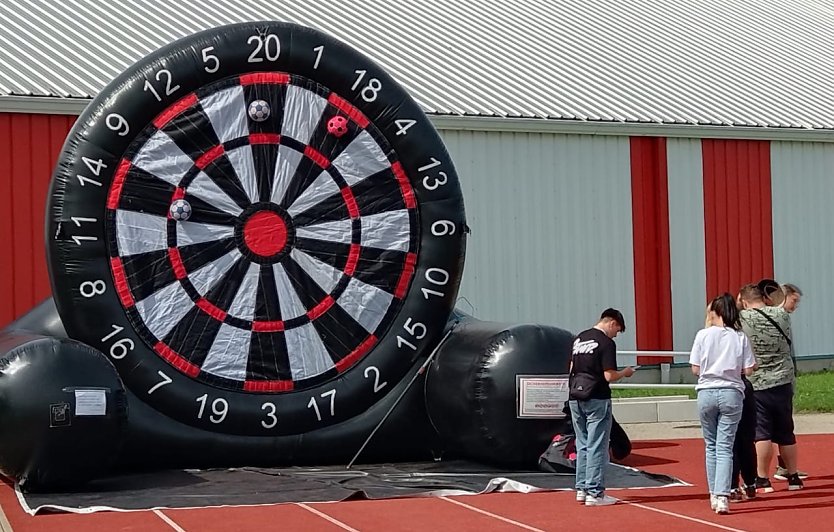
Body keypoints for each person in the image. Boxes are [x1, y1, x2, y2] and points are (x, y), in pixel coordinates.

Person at [690, 293, 757, 515]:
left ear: (715, 312)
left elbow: (695, 368)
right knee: (725, 446)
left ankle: (713, 494)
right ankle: (723, 494)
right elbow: (748, 369)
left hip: (707, 391)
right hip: (731, 391)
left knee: (710, 445)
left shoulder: (702, 335)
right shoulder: (740, 337)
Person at [738, 284, 804, 492]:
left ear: (745, 300)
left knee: (762, 433)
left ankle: (762, 478)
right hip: (783, 379)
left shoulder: (742, 318)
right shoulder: (782, 315)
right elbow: (782, 300)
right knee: (786, 431)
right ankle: (793, 475)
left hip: (758, 382)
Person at [568, 308, 635, 507]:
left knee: (582, 443)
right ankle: (595, 492)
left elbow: (571, 368)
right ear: (612, 323)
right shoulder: (606, 343)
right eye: (618, 330)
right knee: (597, 444)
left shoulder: (579, 339)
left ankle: (581, 488)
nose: (617, 334)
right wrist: (625, 372)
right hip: (597, 396)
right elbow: (609, 376)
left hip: (575, 395)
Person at [773, 282, 807, 481]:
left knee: (783, 425)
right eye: (794, 300)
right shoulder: (774, 319)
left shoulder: (784, 319)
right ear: (783, 297)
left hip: (786, 377)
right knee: (774, 426)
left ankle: (784, 465)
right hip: (775, 381)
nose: (795, 306)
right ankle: (761, 474)